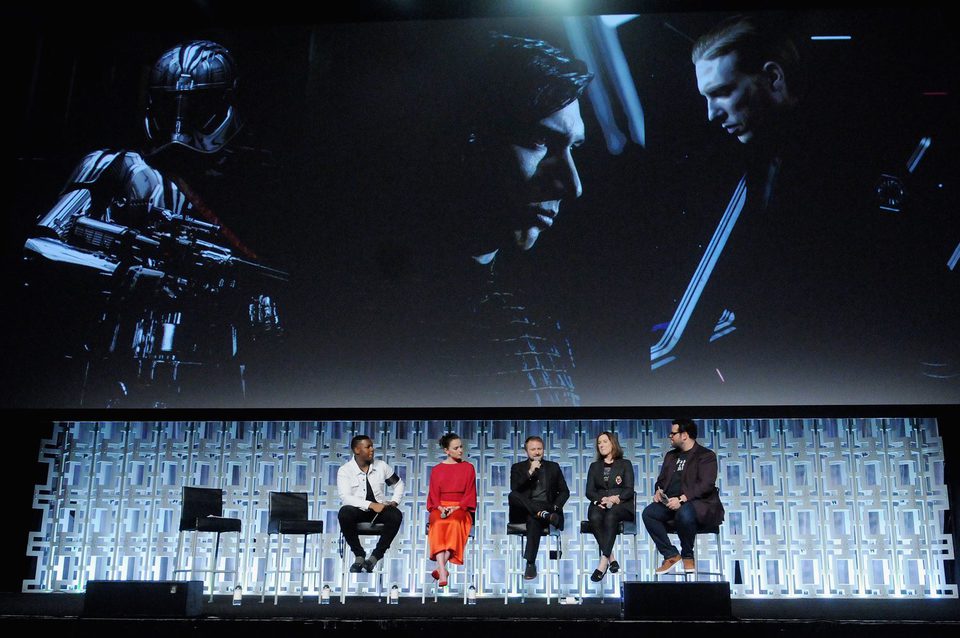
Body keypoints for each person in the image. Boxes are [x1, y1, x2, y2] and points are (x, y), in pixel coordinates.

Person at [22, 40, 285, 408]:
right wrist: (125, 274)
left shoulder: (252, 185)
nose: (180, 123)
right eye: (168, 105)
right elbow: (39, 246)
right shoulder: (117, 166)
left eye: (197, 107)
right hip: (116, 358)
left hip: (211, 371)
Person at [642, 419, 724, 574]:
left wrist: (682, 499)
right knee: (649, 513)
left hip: (696, 504)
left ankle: (687, 555)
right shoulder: (671, 456)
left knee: (684, 513)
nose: (670, 436)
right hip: (670, 503)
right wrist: (658, 490)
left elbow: (706, 484)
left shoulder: (705, 455)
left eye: (673, 433)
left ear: (685, 435)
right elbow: (661, 480)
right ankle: (671, 554)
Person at [336, 434, 405, 573]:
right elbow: (346, 497)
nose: (372, 449)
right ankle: (359, 555)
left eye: (372, 446)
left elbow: (398, 484)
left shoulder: (381, 466)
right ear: (357, 450)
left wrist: (394, 501)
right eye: (368, 447)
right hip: (358, 511)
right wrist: (371, 505)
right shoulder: (345, 470)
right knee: (344, 513)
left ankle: (374, 557)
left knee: (395, 515)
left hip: (379, 511)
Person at [508, 435, 569, 580]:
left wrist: (555, 507)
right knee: (513, 495)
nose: (536, 452)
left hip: (548, 509)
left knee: (533, 519)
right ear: (526, 451)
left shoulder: (553, 467)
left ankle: (530, 564)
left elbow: (565, 491)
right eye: (533, 449)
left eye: (539, 449)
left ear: (543, 449)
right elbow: (515, 488)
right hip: (524, 510)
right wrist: (530, 472)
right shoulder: (517, 468)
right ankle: (542, 514)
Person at [426, 433, 477, 587]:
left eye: (461, 446)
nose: (460, 450)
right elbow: (433, 495)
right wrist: (441, 507)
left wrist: (457, 507)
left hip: (460, 507)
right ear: (446, 451)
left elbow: (470, 493)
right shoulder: (437, 470)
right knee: (437, 523)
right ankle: (443, 570)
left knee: (454, 523)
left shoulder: (468, 468)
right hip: (440, 506)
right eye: (456, 448)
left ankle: (441, 569)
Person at [584, 431, 634, 582]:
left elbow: (629, 489)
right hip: (601, 503)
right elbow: (589, 491)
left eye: (605, 441)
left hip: (622, 504)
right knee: (594, 515)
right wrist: (601, 499)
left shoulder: (625, 464)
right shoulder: (594, 466)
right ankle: (611, 558)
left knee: (611, 515)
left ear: (613, 443)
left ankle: (603, 562)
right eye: (599, 443)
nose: (601, 445)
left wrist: (616, 498)